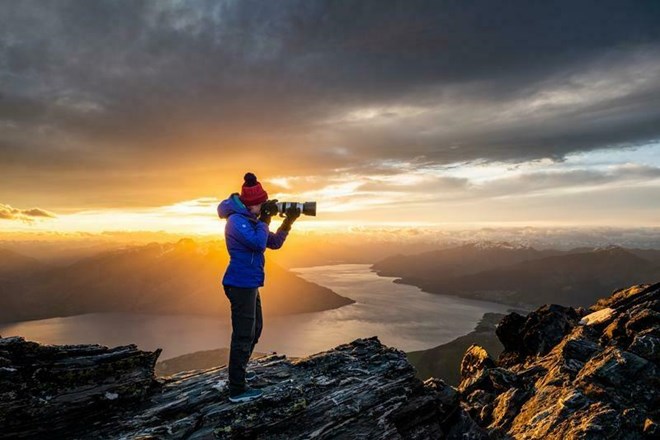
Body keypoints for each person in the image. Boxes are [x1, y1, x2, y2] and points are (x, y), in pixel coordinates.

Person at [217, 172, 300, 403]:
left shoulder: (251, 220)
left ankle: (239, 376)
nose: (265, 207)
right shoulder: (236, 220)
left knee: (255, 330)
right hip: (240, 284)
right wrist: (265, 219)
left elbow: (272, 243)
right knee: (243, 334)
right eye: (262, 205)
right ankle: (237, 389)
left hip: (249, 283)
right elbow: (257, 243)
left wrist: (288, 221)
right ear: (252, 204)